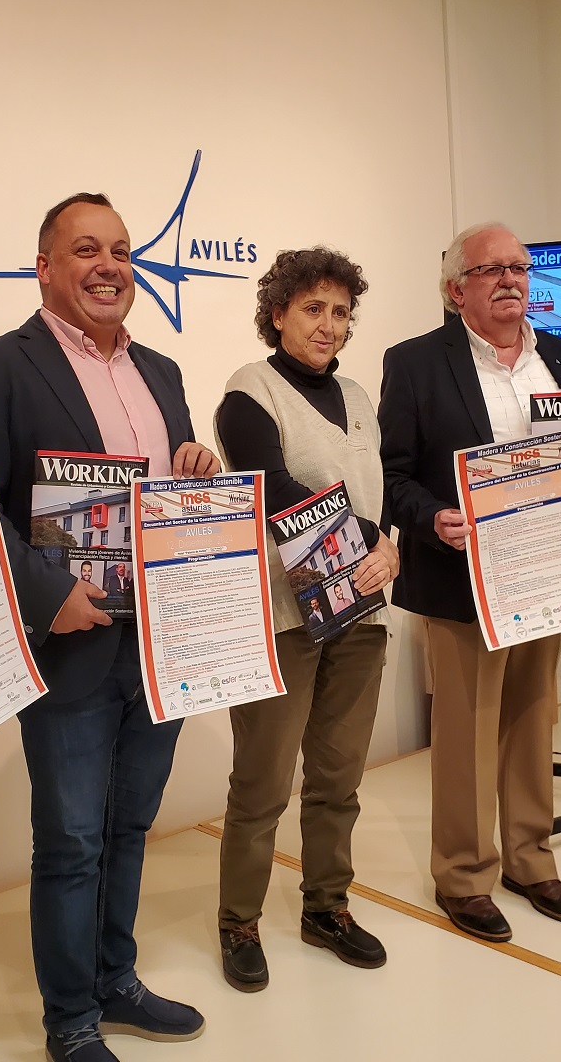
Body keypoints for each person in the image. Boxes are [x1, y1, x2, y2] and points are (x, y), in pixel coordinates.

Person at [0, 193, 219, 1062]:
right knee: (70, 840)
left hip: (158, 639)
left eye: (122, 250)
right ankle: (70, 1023)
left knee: (132, 824)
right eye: (86, 249)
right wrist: (43, 589)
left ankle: (116, 980)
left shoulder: (163, 372)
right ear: (46, 268)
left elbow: (166, 494)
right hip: (67, 643)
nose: (109, 265)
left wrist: (196, 466)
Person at [378, 223, 561, 943]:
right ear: (457, 288)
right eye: (492, 269)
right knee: (465, 732)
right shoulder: (417, 363)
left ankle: (529, 857)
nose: (511, 280)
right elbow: (391, 475)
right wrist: (435, 519)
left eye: (520, 267)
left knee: (530, 719)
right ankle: (462, 875)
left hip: (548, 572)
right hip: (462, 579)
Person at [213, 247, 398, 992]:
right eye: (313, 309)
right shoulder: (248, 391)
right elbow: (277, 491)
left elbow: (380, 493)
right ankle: (238, 921)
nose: (329, 325)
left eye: (341, 312)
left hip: (360, 612)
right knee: (262, 783)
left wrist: (390, 551)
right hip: (285, 616)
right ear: (279, 313)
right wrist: (371, 539)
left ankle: (327, 908)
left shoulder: (358, 395)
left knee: (339, 777)